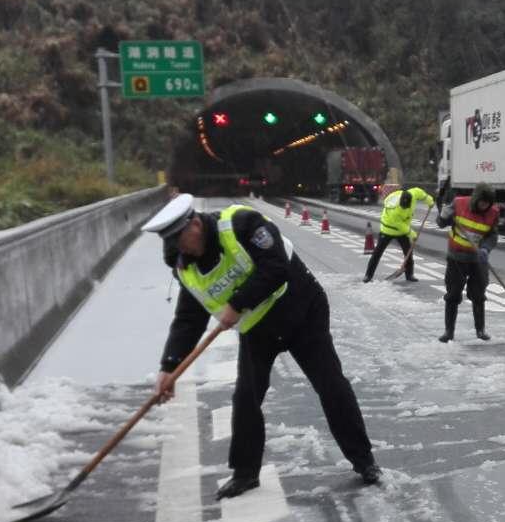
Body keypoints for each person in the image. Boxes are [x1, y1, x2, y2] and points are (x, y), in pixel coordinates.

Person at [143, 193, 382, 498]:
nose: (178, 246)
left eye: (180, 238)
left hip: (301, 311)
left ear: (195, 224)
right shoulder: (185, 268)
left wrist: (237, 303)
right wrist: (169, 366)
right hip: (258, 331)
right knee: (246, 396)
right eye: (171, 242)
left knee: (331, 384)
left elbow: (275, 267)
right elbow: (188, 320)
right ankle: (245, 474)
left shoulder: (242, 224)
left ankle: (364, 462)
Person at [434, 182, 500, 342]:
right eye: (482, 202)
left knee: (478, 295)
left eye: (487, 203)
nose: (484, 206)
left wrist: (485, 248)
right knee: (453, 295)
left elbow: (492, 236)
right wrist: (443, 215)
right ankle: (449, 332)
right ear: (476, 198)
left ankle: (480, 330)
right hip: (457, 257)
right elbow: (441, 223)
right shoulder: (459, 204)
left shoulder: (493, 213)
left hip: (478, 260)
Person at [363, 186, 435, 283]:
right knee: (378, 252)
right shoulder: (395, 210)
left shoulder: (413, 194)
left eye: (406, 206)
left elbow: (422, 194)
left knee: (408, 252)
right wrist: (412, 234)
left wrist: (429, 201)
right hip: (388, 229)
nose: (404, 208)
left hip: (402, 231)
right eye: (403, 206)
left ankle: (409, 275)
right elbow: (399, 225)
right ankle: (368, 275)